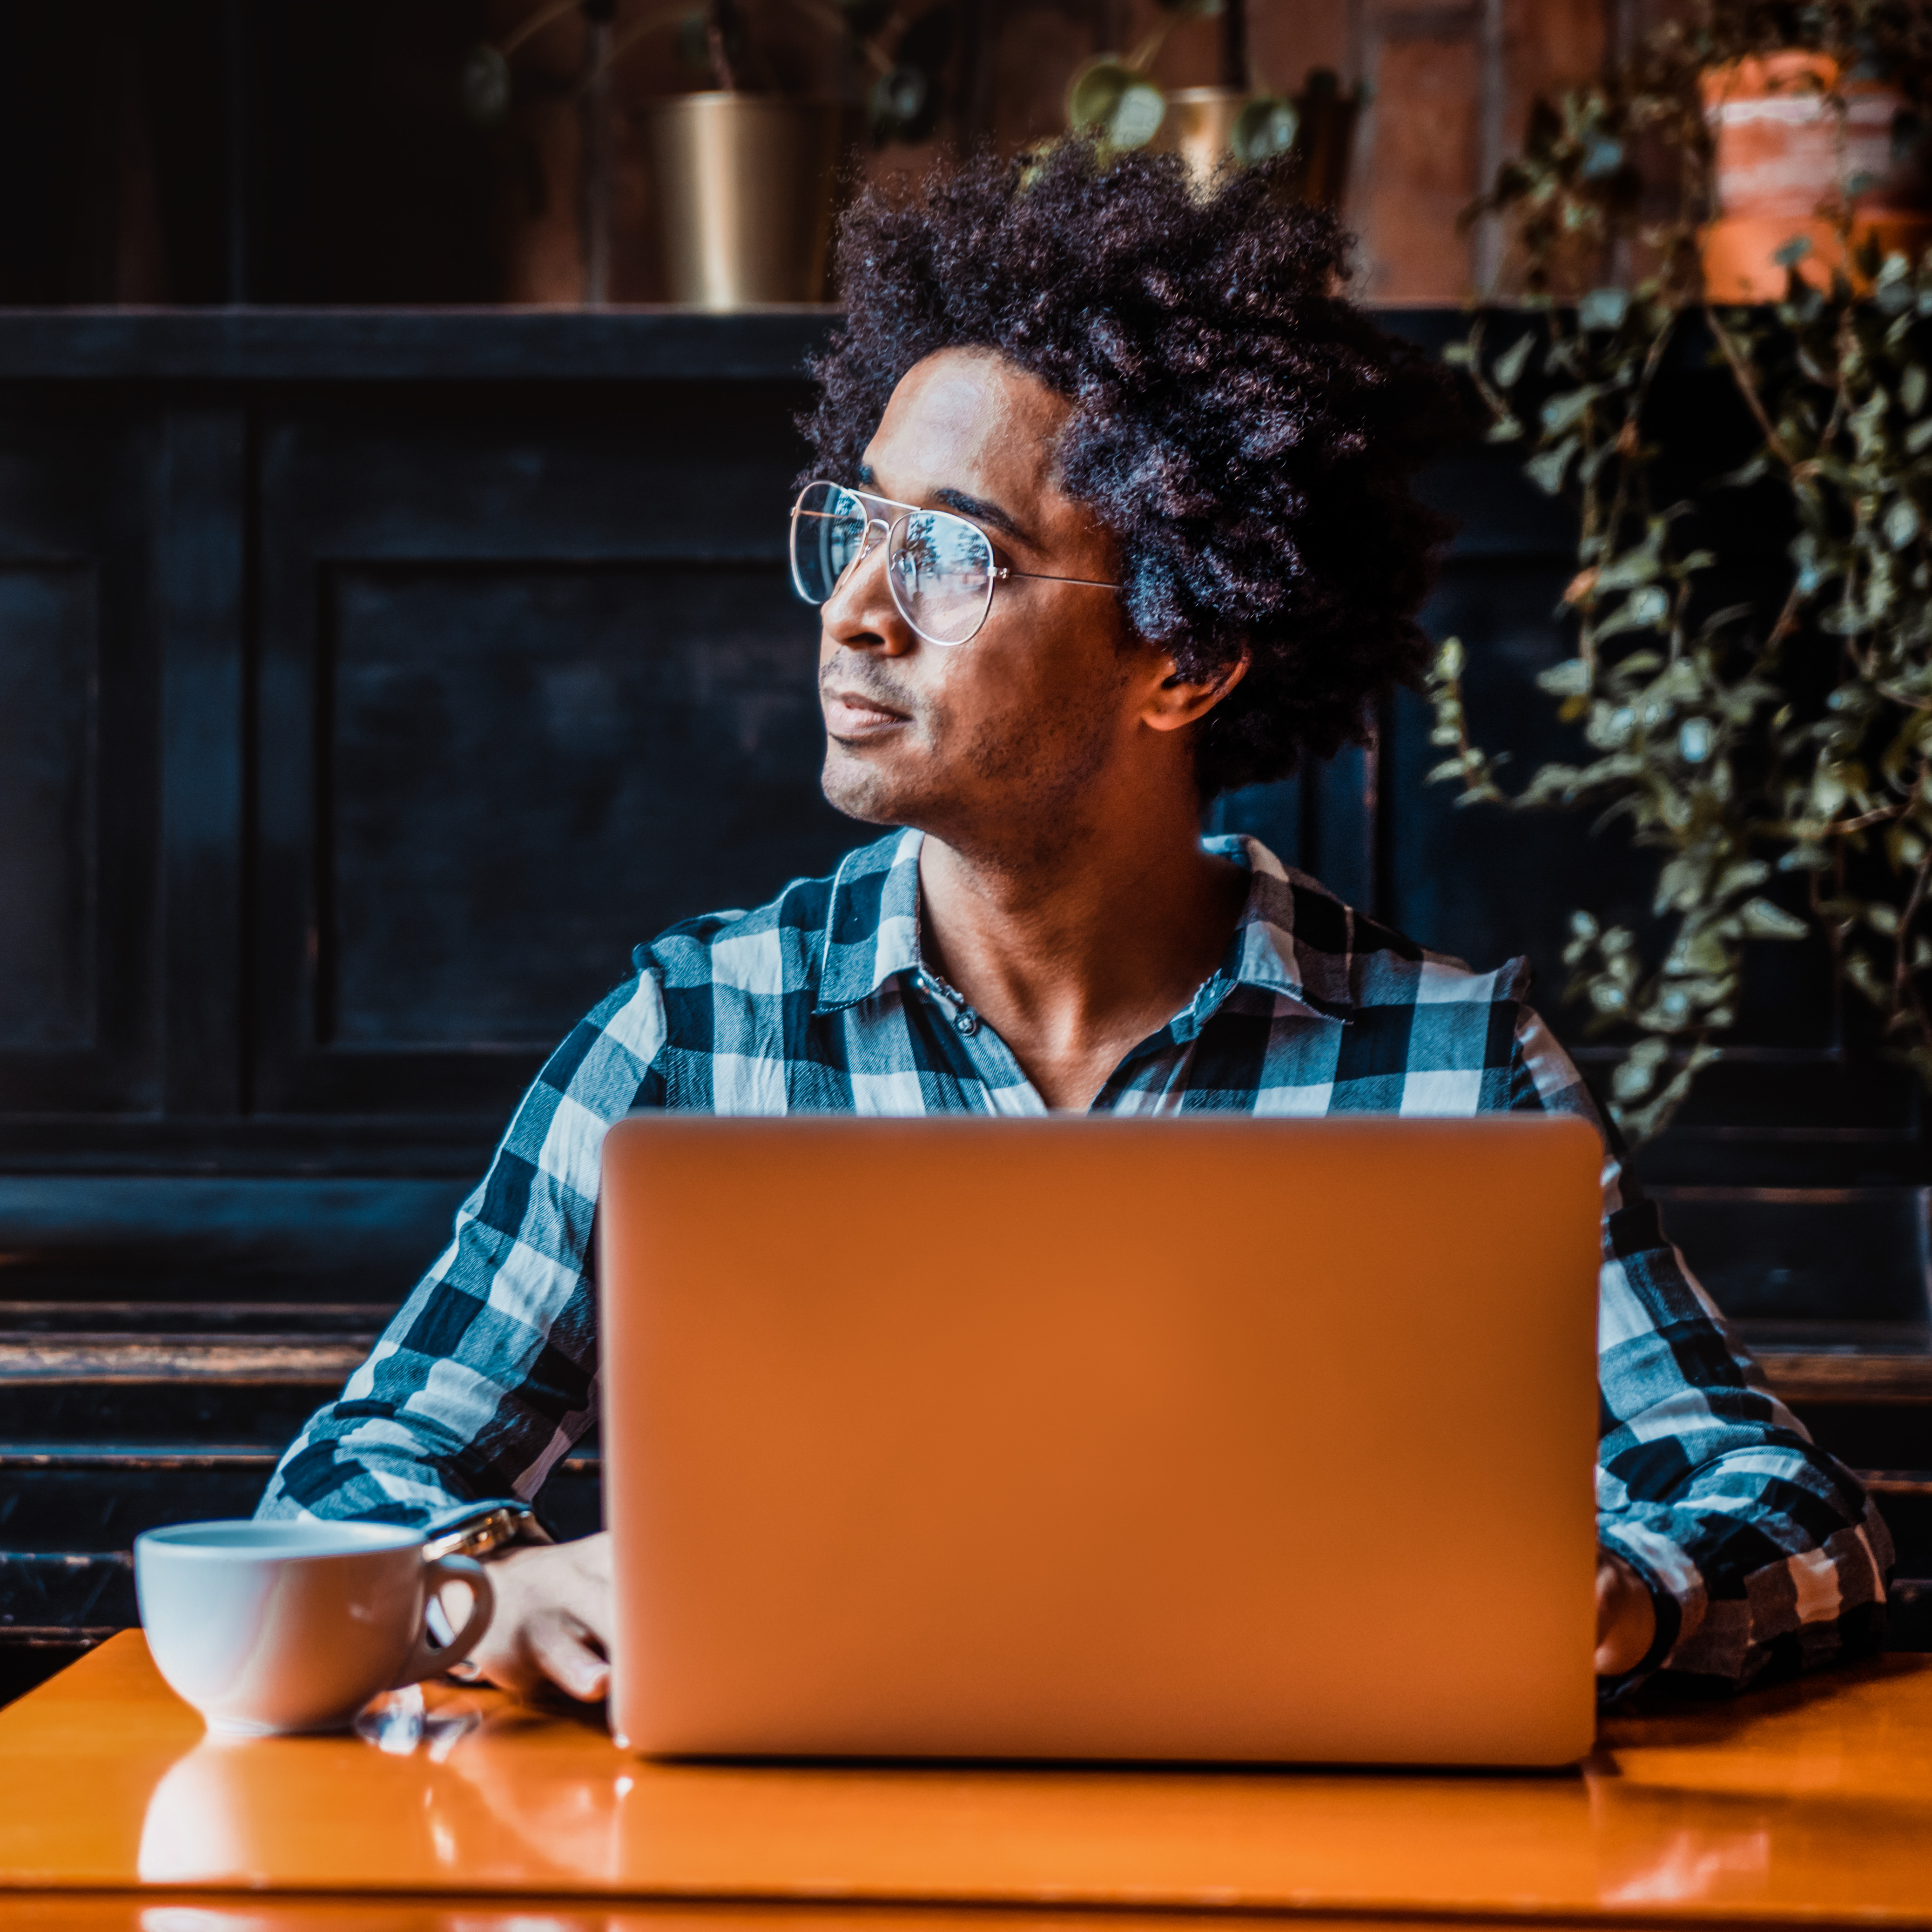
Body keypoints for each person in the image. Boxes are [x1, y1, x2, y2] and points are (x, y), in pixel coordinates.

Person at [257, 143, 1892, 1706]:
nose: (858, 605)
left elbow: (1794, 1509)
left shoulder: (1459, 1064)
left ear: (1183, 662)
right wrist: (489, 1590)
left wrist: (1616, 1596)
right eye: (857, 522)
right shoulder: (693, 1033)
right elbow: (342, 1485)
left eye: (955, 554)